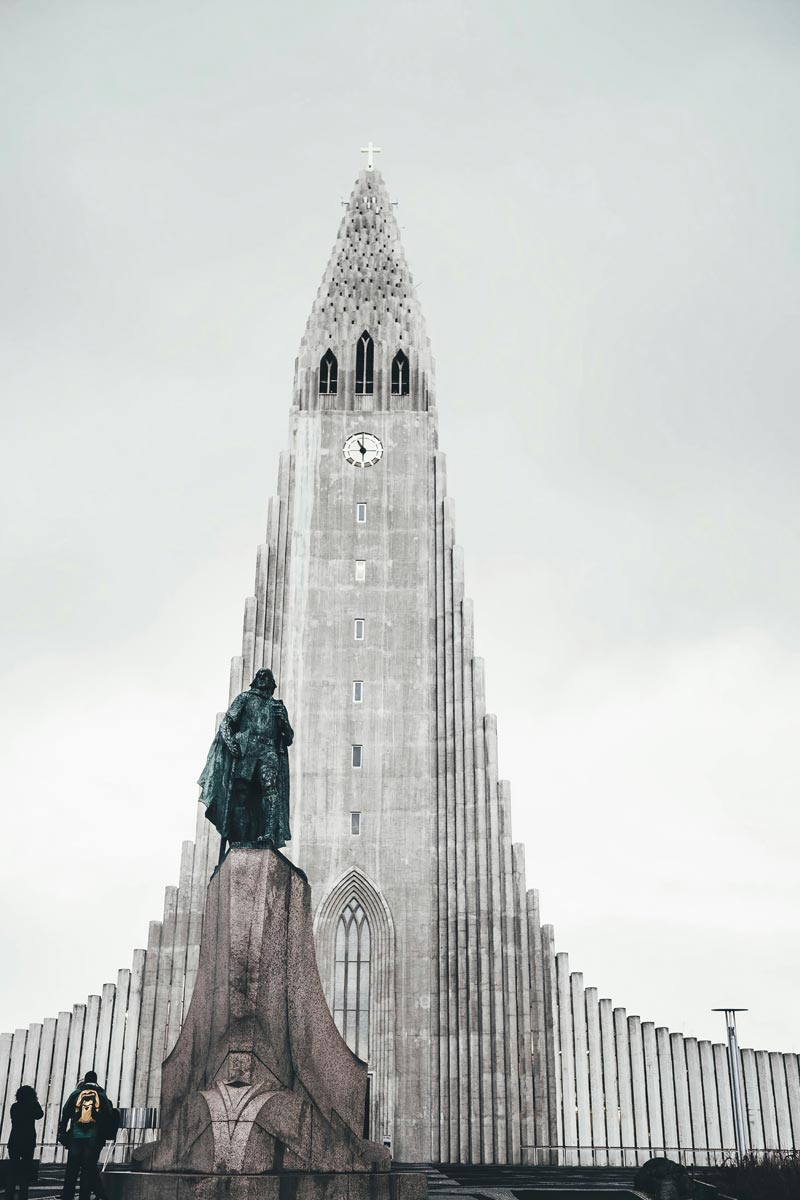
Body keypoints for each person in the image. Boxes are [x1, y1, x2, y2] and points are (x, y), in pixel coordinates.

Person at [198, 668, 294, 856]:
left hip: (268, 752)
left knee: (270, 788)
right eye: (259, 676)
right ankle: (239, 837)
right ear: (255, 681)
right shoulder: (245, 698)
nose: (263, 679)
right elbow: (226, 723)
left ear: (273, 683)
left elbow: (289, 738)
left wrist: (284, 722)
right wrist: (231, 742)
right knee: (241, 795)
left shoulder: (278, 706)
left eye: (267, 677)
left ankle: (268, 835)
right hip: (247, 750)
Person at [57, 1071, 114, 1200]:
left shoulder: (76, 1094)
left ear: (85, 1080)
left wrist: (62, 1131)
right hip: (93, 1138)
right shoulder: (101, 1095)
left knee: (72, 1169)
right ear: (96, 1080)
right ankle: (85, 1196)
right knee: (88, 1170)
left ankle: (67, 1196)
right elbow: (109, 1115)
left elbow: (65, 1113)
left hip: (76, 1137)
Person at [5, 1085, 43, 1200]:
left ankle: (9, 1195)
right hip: (28, 1141)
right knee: (25, 1171)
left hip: (15, 1140)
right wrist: (35, 1102)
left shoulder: (15, 1107)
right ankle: (23, 1196)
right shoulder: (32, 1106)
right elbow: (40, 1115)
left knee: (13, 1169)